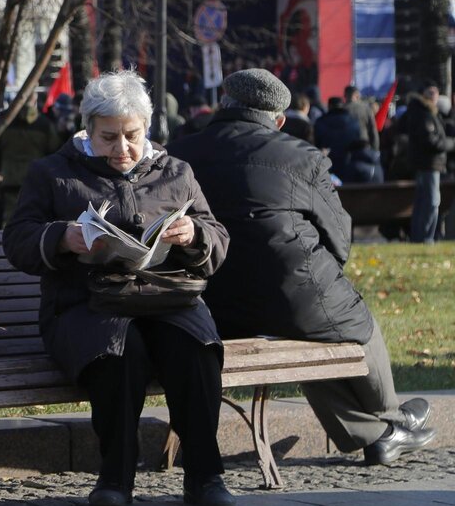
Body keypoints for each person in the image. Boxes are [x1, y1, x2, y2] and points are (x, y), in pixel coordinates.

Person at [169, 69, 436, 466]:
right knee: (349, 319)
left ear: (223, 106)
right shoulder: (300, 156)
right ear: (278, 120)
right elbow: (340, 239)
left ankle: (380, 431)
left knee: (310, 335)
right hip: (290, 297)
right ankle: (388, 417)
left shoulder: (179, 153)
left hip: (209, 303)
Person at [2, 70, 235, 506]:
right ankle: (116, 475)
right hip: (86, 302)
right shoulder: (53, 173)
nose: (121, 149)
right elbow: (18, 240)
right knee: (119, 352)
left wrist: (195, 235)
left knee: (196, 349)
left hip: (169, 297)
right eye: (108, 137)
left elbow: (217, 238)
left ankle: (205, 475)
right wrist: (61, 238)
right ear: (88, 129)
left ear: (146, 128)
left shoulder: (176, 171)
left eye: (131, 136)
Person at [404, 85, 455, 243]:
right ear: (423, 94)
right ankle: (426, 238)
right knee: (431, 202)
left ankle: (420, 237)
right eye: (430, 92)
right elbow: (431, 141)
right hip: (429, 164)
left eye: (436, 92)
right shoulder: (424, 114)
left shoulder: (427, 112)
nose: (434, 95)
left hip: (426, 164)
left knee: (423, 202)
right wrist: (451, 143)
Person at [314, 96, 362, 177]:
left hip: (327, 165)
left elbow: (317, 145)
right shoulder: (354, 122)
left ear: (329, 106)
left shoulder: (321, 122)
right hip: (349, 164)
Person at [344, 84, 379, 150]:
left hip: (346, 147)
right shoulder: (366, 109)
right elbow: (373, 130)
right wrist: (375, 149)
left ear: (345, 95)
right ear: (357, 95)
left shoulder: (341, 110)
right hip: (364, 145)